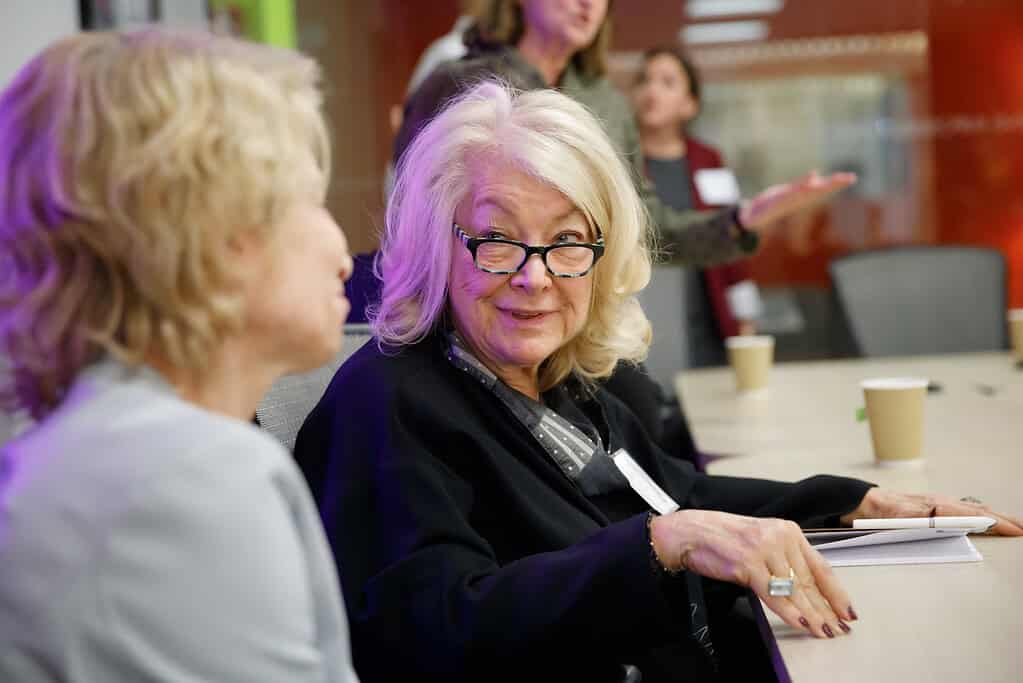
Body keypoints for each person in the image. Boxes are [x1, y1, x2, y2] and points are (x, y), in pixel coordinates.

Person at [294, 81, 1023, 683]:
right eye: (497, 239)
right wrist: (660, 543)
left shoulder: (551, 382)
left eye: (567, 241)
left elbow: (678, 492)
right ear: (436, 245)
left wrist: (855, 502)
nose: (534, 274)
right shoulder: (389, 404)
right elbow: (436, 631)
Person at [0, 30, 358, 682]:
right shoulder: (184, 477)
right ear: (215, 236)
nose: (342, 247)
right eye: (309, 202)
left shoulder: (124, 448)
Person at [395, 0, 857, 269]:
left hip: (583, 324)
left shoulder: (607, 103)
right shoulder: (457, 83)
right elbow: (413, 217)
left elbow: (642, 227)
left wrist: (744, 220)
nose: (588, 3)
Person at [633, 46, 761, 367]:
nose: (652, 90)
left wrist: (745, 318)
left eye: (667, 82)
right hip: (641, 315)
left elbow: (731, 236)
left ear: (689, 104)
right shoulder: (620, 159)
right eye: (645, 80)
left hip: (706, 313)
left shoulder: (708, 160)